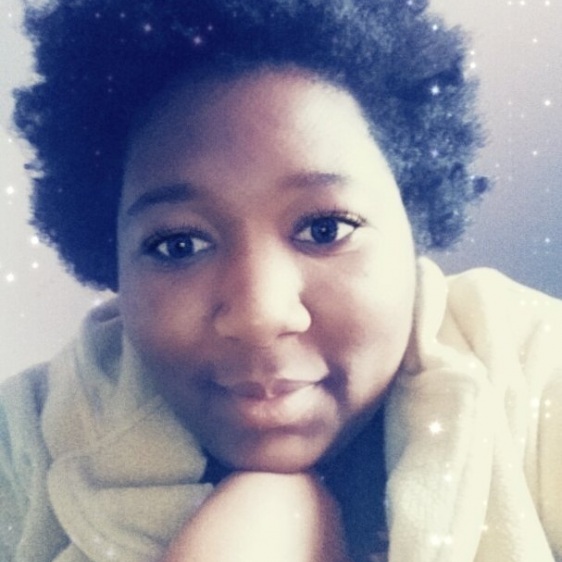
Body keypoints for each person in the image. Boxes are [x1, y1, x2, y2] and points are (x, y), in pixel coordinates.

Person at [1, 0, 561, 561]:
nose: (259, 314)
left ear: (413, 221)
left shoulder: (537, 371)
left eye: (325, 229)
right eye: (179, 244)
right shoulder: (25, 438)